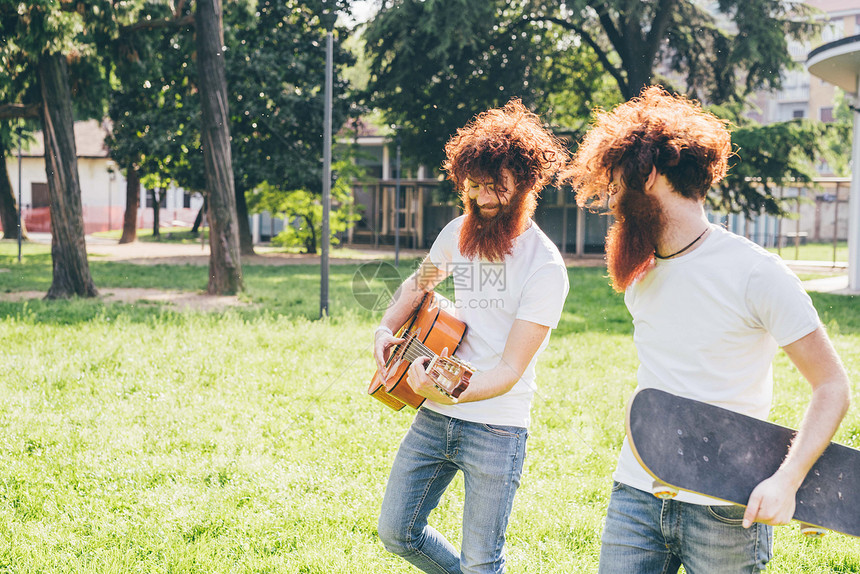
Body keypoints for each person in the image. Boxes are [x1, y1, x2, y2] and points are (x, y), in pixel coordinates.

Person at [562, 86, 851, 573]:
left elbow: (832, 386)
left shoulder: (756, 272)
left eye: (615, 187)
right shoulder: (639, 272)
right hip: (636, 491)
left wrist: (788, 480)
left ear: (649, 176)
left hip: (725, 509)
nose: (611, 203)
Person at [372, 99, 570, 574]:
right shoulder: (459, 232)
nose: (482, 198)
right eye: (474, 186)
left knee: (484, 562)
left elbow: (508, 371)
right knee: (397, 532)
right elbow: (417, 285)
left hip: (498, 426)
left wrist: (443, 387)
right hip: (436, 416)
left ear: (525, 185)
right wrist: (383, 327)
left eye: (494, 188)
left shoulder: (544, 268)